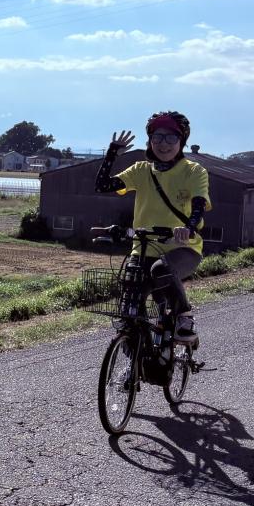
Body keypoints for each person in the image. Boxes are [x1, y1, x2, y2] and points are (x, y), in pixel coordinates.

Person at [95, 111, 210, 343]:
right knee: (130, 304)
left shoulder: (194, 171)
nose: (163, 144)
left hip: (182, 248)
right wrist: (112, 153)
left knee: (161, 270)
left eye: (170, 138)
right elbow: (103, 185)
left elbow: (198, 206)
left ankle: (184, 316)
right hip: (143, 248)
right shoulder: (141, 170)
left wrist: (187, 228)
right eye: (157, 137)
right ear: (149, 141)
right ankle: (136, 357)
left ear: (181, 141)